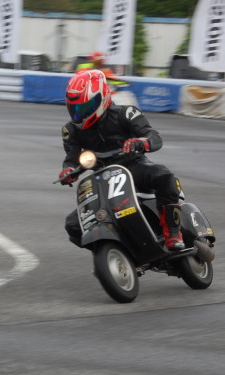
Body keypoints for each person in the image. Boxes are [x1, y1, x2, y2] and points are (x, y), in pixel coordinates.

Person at [58, 69, 185, 251]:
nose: (80, 113)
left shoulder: (125, 113)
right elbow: (71, 158)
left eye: (85, 107)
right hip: (101, 179)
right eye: (75, 108)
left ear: (102, 97)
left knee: (164, 176)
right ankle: (117, 250)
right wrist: (68, 170)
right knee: (73, 225)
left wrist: (141, 142)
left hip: (133, 166)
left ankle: (173, 232)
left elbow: (153, 136)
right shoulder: (70, 130)